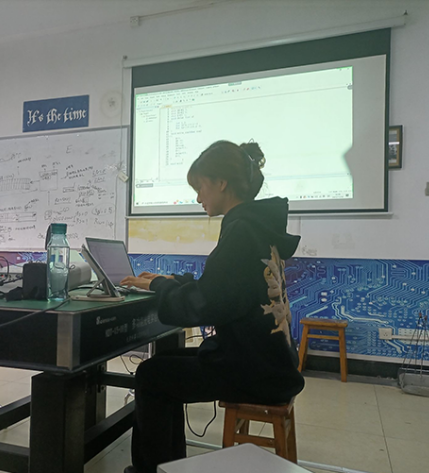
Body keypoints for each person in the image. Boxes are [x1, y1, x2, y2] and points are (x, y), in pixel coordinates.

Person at [120, 140, 305, 473]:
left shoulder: (241, 231)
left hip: (255, 370)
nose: (198, 198)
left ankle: (152, 470)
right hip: (270, 361)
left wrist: (160, 286)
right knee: (162, 364)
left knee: (151, 375)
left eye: (200, 187)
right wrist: (173, 281)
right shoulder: (256, 226)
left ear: (221, 183)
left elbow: (205, 305)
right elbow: (225, 288)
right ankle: (167, 465)